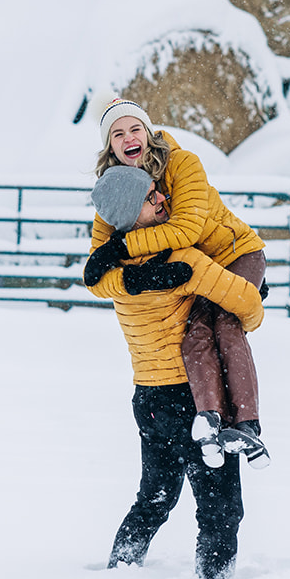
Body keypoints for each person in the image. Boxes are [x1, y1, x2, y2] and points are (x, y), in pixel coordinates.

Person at [90, 98, 269, 465]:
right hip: (198, 271)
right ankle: (211, 420)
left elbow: (185, 229)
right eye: (117, 134)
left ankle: (248, 424)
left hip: (234, 255)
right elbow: (97, 276)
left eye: (135, 129)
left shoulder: (182, 164)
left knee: (225, 322)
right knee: (196, 335)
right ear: (109, 145)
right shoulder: (115, 189)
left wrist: (122, 246)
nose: (128, 138)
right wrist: (135, 277)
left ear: (148, 132)